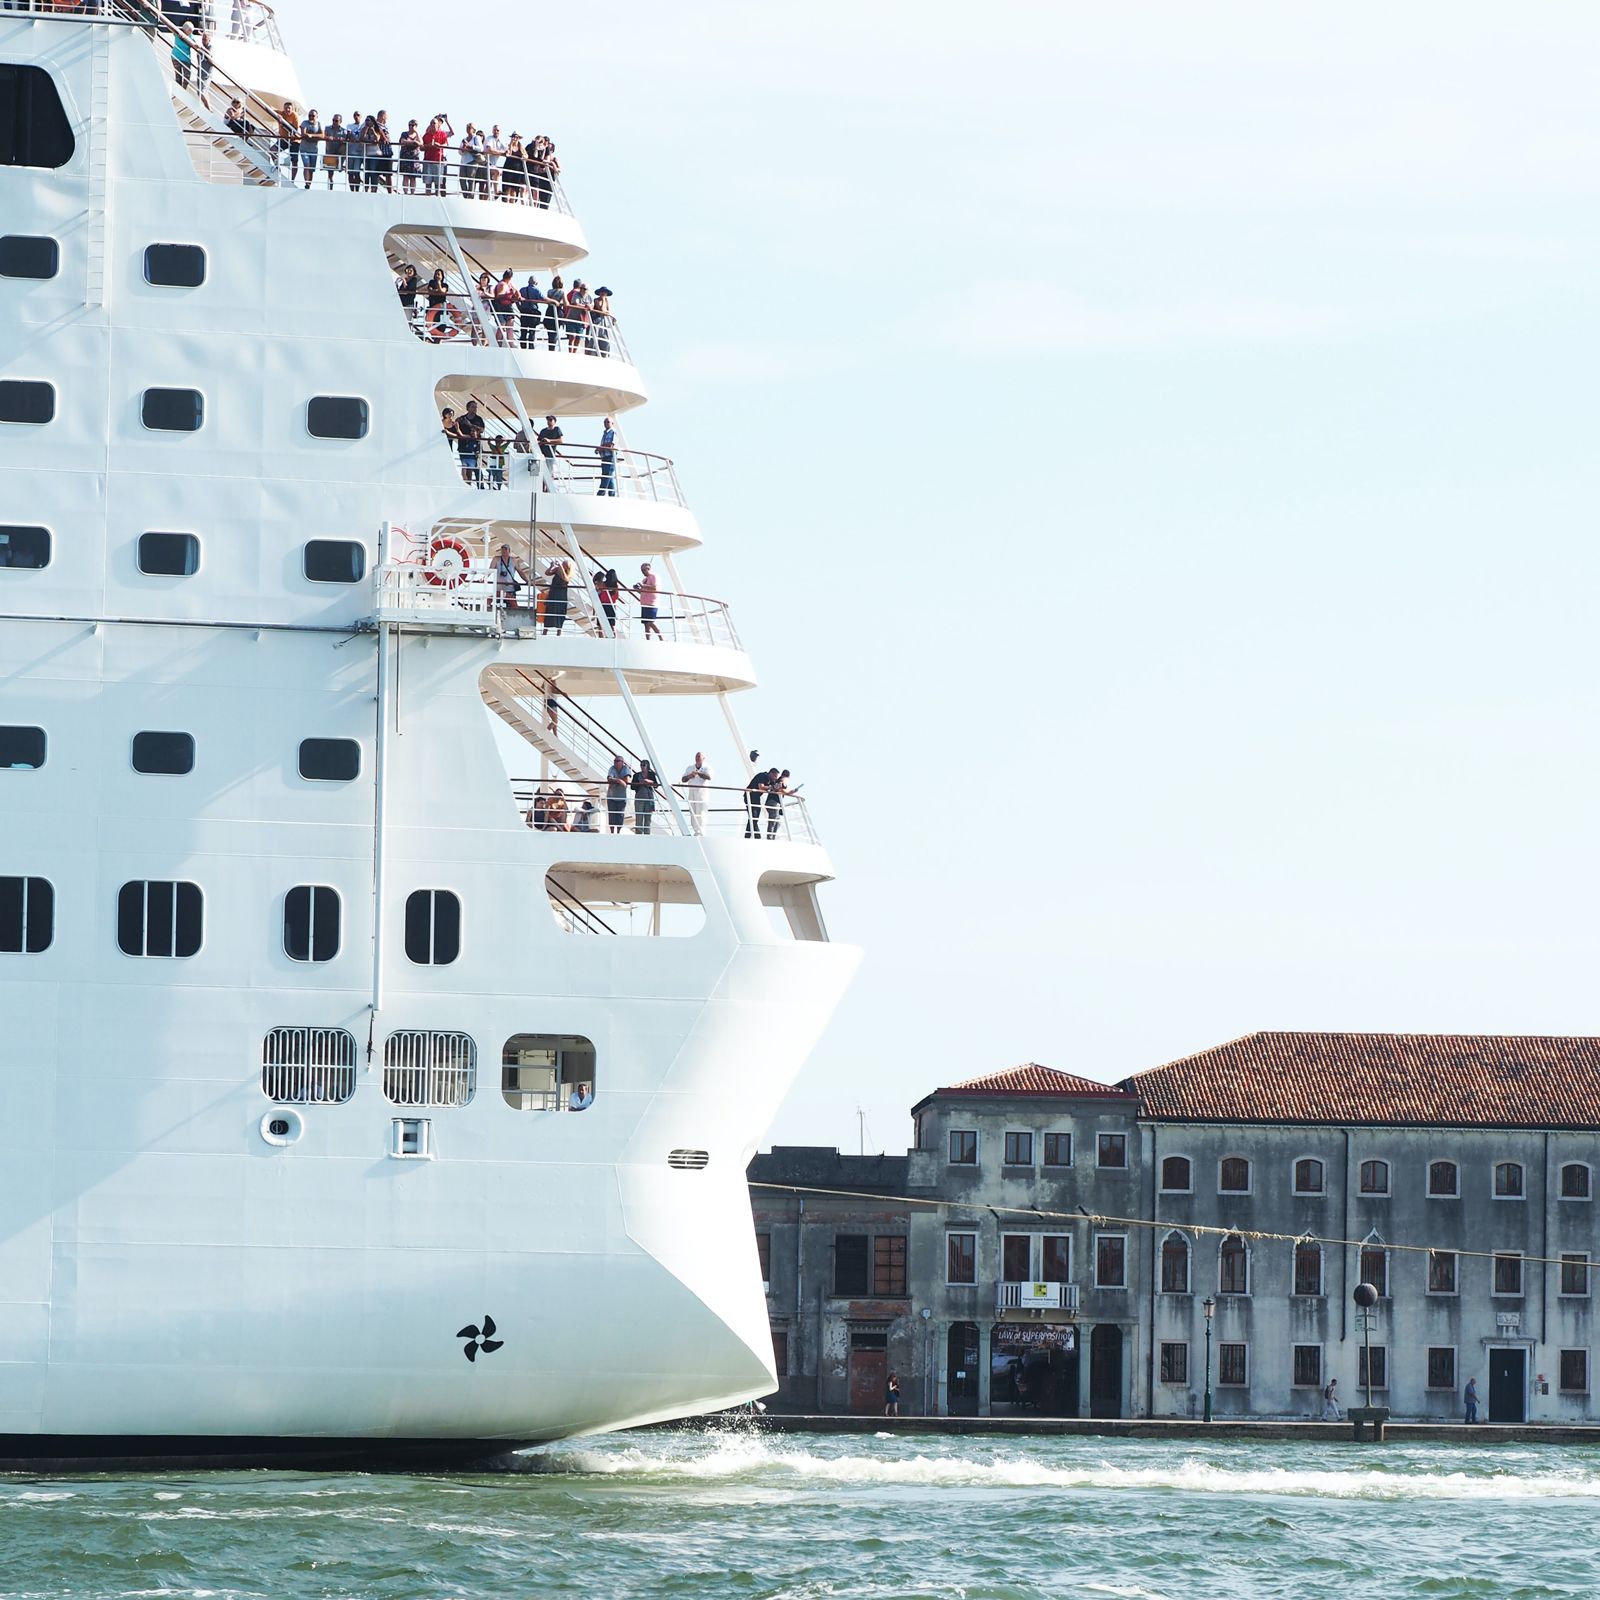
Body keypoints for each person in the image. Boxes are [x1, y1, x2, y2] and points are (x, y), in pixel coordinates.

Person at [454, 399, 485, 484]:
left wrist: (470, 425)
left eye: (476, 407)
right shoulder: (461, 419)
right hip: (463, 445)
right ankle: (467, 483)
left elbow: (482, 430)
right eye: (473, 407)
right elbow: (456, 430)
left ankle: (473, 484)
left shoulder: (479, 419)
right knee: (464, 466)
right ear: (468, 408)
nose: (475, 408)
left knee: (473, 467)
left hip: (474, 446)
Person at [681, 752, 712, 836]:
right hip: (692, 791)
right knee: (693, 812)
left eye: (699, 756)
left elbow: (709, 777)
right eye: (696, 756)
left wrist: (699, 774)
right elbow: (683, 779)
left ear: (703, 758)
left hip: (702, 792)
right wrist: (690, 776)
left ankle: (701, 831)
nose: (697, 758)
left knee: (701, 812)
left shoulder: (707, 767)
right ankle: (696, 831)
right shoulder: (690, 768)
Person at [492, 543, 529, 610]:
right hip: (499, 588)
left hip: (510, 588)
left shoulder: (513, 560)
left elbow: (520, 571)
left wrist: (527, 581)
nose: (504, 551)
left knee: (512, 606)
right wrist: (484, 577)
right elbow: (491, 569)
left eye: (506, 549)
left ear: (509, 551)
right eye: (502, 549)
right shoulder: (496, 559)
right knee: (497, 606)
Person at [421, 113, 451, 194]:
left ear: (438, 125)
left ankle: (437, 198)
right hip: (428, 161)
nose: (432, 125)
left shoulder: (442, 134)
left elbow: (446, 144)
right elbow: (421, 147)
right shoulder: (426, 135)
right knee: (428, 184)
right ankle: (427, 199)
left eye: (434, 123)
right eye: (431, 123)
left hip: (438, 161)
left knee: (438, 184)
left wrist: (440, 145)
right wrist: (428, 145)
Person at [633, 562, 662, 640]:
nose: (642, 572)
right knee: (646, 623)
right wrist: (637, 589)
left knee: (650, 622)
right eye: (642, 570)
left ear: (648, 569)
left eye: (643, 570)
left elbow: (655, 588)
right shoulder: (645, 579)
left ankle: (661, 637)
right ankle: (648, 639)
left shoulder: (654, 576)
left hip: (651, 603)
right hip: (644, 603)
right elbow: (643, 592)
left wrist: (643, 586)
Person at [605, 755, 633, 834]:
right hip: (611, 796)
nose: (615, 762)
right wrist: (619, 781)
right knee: (612, 815)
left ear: (622, 762)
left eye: (617, 761)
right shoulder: (612, 768)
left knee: (620, 815)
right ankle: (612, 832)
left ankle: (618, 832)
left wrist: (615, 782)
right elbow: (609, 779)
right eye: (614, 761)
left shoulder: (625, 769)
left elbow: (626, 781)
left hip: (621, 797)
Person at [543, 558, 571, 636]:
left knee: (560, 613)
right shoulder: (557, 570)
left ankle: (559, 632)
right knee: (549, 611)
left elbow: (565, 578)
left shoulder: (567, 574)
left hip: (561, 595)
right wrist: (551, 566)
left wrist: (561, 568)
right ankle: (545, 631)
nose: (562, 565)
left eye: (564, 564)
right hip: (553, 593)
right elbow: (547, 573)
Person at [491, 269, 519, 346]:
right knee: (502, 325)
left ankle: (510, 344)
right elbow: (499, 295)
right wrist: (509, 295)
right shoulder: (502, 284)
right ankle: (499, 345)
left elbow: (517, 292)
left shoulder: (509, 284)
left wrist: (516, 296)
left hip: (507, 307)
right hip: (501, 306)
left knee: (509, 325)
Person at [632, 760, 659, 835]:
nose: (642, 766)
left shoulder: (651, 775)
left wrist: (649, 782)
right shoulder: (636, 775)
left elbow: (656, 785)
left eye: (644, 765)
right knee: (639, 818)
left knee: (648, 819)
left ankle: (647, 834)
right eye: (641, 765)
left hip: (649, 799)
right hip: (639, 799)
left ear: (647, 766)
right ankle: (639, 834)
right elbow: (632, 786)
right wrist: (640, 783)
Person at [536, 414, 564, 487]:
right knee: (541, 474)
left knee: (549, 474)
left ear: (554, 421)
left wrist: (549, 441)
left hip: (550, 456)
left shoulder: (557, 429)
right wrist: (542, 442)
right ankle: (542, 488)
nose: (548, 421)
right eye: (548, 420)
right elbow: (538, 441)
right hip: (542, 455)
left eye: (550, 420)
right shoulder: (543, 431)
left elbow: (561, 441)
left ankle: (547, 489)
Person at [517, 275, 544, 350]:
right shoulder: (536, 290)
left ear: (528, 282)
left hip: (524, 312)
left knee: (523, 330)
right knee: (532, 330)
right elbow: (542, 298)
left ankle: (523, 346)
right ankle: (531, 346)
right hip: (533, 313)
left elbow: (516, 298)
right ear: (536, 283)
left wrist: (520, 308)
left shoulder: (522, 290)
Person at [276, 101, 300, 184]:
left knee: (294, 160)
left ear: (292, 109)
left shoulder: (295, 116)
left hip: (294, 140)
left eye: (289, 108)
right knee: (272, 150)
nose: (287, 110)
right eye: (285, 108)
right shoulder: (282, 113)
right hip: (284, 139)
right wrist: (277, 115)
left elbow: (295, 130)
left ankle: (292, 180)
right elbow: (271, 109)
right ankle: (277, 168)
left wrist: (284, 123)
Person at [744, 767, 770, 839]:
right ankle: (755, 835)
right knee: (754, 816)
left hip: (756, 797)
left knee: (754, 817)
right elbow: (761, 787)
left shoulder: (770, 780)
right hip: (750, 796)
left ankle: (752, 835)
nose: (775, 778)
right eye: (775, 776)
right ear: (771, 774)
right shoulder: (762, 776)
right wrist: (770, 787)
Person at [503, 133, 529, 205]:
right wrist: (511, 143)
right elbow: (509, 153)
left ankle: (512, 204)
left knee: (514, 189)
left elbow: (526, 155)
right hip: (508, 169)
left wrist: (524, 156)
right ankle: (506, 204)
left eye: (517, 137)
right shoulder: (508, 145)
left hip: (517, 171)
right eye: (514, 137)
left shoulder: (521, 147)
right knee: (507, 188)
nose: (515, 138)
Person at [766, 768, 792, 840]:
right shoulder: (784, 779)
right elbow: (779, 788)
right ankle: (770, 838)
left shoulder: (779, 780)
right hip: (773, 802)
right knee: (773, 820)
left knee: (777, 821)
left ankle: (772, 837)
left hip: (773, 802)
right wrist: (787, 792)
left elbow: (778, 788)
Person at [297, 107, 320, 187]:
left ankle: (309, 184)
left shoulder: (319, 124)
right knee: (306, 165)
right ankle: (306, 182)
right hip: (304, 148)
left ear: (317, 116)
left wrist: (311, 135)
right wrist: (310, 135)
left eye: (313, 116)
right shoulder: (304, 123)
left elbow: (322, 135)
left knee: (311, 169)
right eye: (309, 115)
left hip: (314, 149)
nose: (311, 117)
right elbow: (303, 134)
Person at [398, 118, 422, 193]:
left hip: (414, 158)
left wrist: (416, 133)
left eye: (412, 125)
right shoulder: (404, 133)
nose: (410, 126)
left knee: (413, 177)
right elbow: (403, 141)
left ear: (416, 126)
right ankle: (405, 192)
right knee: (406, 176)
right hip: (405, 157)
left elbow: (421, 143)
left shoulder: (418, 135)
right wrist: (414, 142)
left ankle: (412, 193)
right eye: (409, 125)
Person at [321, 113, 344, 188]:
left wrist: (342, 140)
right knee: (330, 169)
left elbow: (348, 139)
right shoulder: (327, 128)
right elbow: (323, 135)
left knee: (345, 147)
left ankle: (342, 166)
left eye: (336, 120)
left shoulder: (344, 131)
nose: (334, 122)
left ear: (340, 121)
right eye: (333, 120)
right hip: (330, 151)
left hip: (339, 152)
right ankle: (330, 180)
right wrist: (328, 137)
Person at [595, 568, 620, 634]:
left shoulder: (603, 584)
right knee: (612, 624)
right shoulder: (616, 586)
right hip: (612, 605)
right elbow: (617, 597)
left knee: (600, 623)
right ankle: (614, 636)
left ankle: (601, 637)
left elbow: (598, 592)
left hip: (603, 604)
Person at [591, 286, 614, 358]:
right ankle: (592, 353)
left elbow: (608, 311)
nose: (603, 293)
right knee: (595, 338)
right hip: (596, 321)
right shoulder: (596, 300)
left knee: (605, 340)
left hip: (603, 322)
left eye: (604, 292)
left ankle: (605, 355)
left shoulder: (607, 301)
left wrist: (612, 319)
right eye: (602, 292)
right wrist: (604, 300)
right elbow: (601, 310)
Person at [485, 124, 507, 196]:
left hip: (493, 165)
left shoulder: (501, 141)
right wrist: (500, 152)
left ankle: (496, 193)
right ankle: (496, 191)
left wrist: (499, 152)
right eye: (494, 130)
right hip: (486, 163)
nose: (496, 132)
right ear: (492, 131)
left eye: (498, 130)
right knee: (497, 172)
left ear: (500, 132)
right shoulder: (489, 138)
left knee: (499, 173)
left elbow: (507, 151)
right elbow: (489, 150)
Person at [597, 417, 617, 496]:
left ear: (612, 423)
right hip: (605, 457)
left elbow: (612, 445)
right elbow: (605, 445)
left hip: (610, 457)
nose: (606, 423)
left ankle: (601, 493)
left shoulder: (613, 432)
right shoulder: (605, 433)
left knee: (606, 475)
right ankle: (612, 494)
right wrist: (599, 449)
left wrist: (601, 447)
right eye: (605, 422)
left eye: (608, 422)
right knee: (608, 476)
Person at [171, 24, 193, 91]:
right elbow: (171, 28)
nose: (191, 31)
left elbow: (194, 45)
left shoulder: (191, 37)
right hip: (176, 57)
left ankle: (183, 91)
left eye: (192, 30)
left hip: (186, 59)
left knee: (187, 76)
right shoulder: (177, 33)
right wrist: (179, 32)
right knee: (178, 77)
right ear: (185, 30)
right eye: (190, 30)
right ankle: (178, 91)